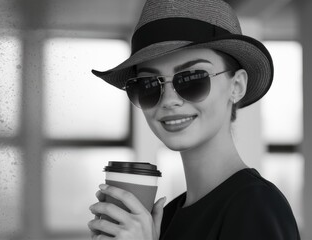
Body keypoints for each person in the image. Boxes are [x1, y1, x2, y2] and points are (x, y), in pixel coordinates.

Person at [87, 0, 301, 239]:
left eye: (192, 79)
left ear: (237, 86)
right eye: (147, 85)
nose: (169, 99)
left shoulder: (256, 206)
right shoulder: (163, 219)